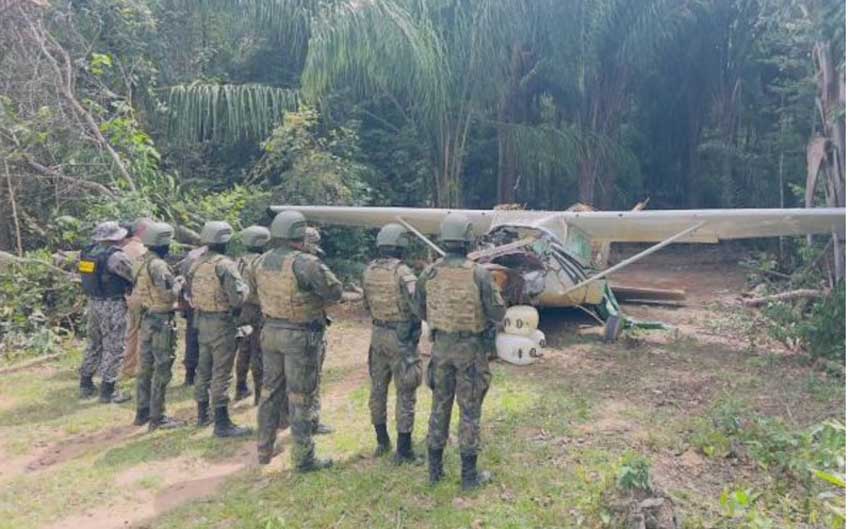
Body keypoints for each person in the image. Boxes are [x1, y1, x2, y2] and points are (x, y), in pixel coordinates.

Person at [414, 212, 506, 490]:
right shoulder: (479, 274)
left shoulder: (429, 272)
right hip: (470, 350)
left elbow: (419, 308)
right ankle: (469, 476)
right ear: (468, 240)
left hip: (440, 348)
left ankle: (435, 472)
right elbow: (497, 312)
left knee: (439, 406)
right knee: (469, 410)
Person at [254, 211, 342, 470]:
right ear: (299, 234)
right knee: (301, 395)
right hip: (299, 335)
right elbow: (334, 292)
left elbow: (252, 292)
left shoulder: (260, 261)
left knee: (269, 391)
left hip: (270, 331)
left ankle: (264, 448)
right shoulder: (306, 263)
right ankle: (304, 457)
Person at [362, 223, 422, 463]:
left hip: (378, 334)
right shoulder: (403, 273)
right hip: (401, 337)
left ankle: (382, 441)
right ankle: (404, 450)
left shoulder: (368, 270)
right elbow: (417, 306)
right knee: (406, 390)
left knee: (378, 388)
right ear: (401, 245)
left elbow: (366, 305)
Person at [187, 221, 251, 438]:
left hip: (201, 321)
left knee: (203, 369)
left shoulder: (196, 263)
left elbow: (189, 292)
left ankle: (202, 414)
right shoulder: (225, 265)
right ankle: (222, 423)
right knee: (222, 372)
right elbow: (237, 298)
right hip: (222, 323)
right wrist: (246, 290)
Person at [131, 222, 185, 431]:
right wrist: (179, 283)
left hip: (147, 317)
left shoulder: (141, 261)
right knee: (162, 367)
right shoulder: (158, 266)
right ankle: (158, 416)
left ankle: (142, 412)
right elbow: (168, 294)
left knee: (145, 367)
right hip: (161, 320)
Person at [78, 221, 134, 404]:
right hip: (112, 304)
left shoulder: (87, 252)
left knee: (94, 342)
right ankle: (108, 391)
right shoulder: (116, 257)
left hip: (93, 303)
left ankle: (86, 383)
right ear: (115, 237)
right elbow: (133, 276)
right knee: (115, 345)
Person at [235, 226, 270, 405]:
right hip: (258, 310)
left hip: (242, 310)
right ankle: (258, 394)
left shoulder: (238, 260)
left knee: (244, 349)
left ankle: (240, 388)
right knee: (258, 351)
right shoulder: (261, 262)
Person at [304, 226, 332, 435]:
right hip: (309, 328)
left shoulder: (269, 260)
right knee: (311, 377)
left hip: (275, 327)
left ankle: (283, 418)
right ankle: (311, 421)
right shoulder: (312, 265)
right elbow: (333, 291)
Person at [121, 218, 152, 379]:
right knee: (144, 333)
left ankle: (128, 368)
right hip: (142, 296)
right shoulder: (144, 251)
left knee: (130, 332)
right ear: (142, 231)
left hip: (127, 295)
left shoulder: (123, 249)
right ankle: (141, 368)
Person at [177, 245, 207, 386]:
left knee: (191, 338)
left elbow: (182, 283)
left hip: (190, 304)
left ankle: (190, 375)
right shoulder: (210, 257)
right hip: (207, 306)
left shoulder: (189, 257)